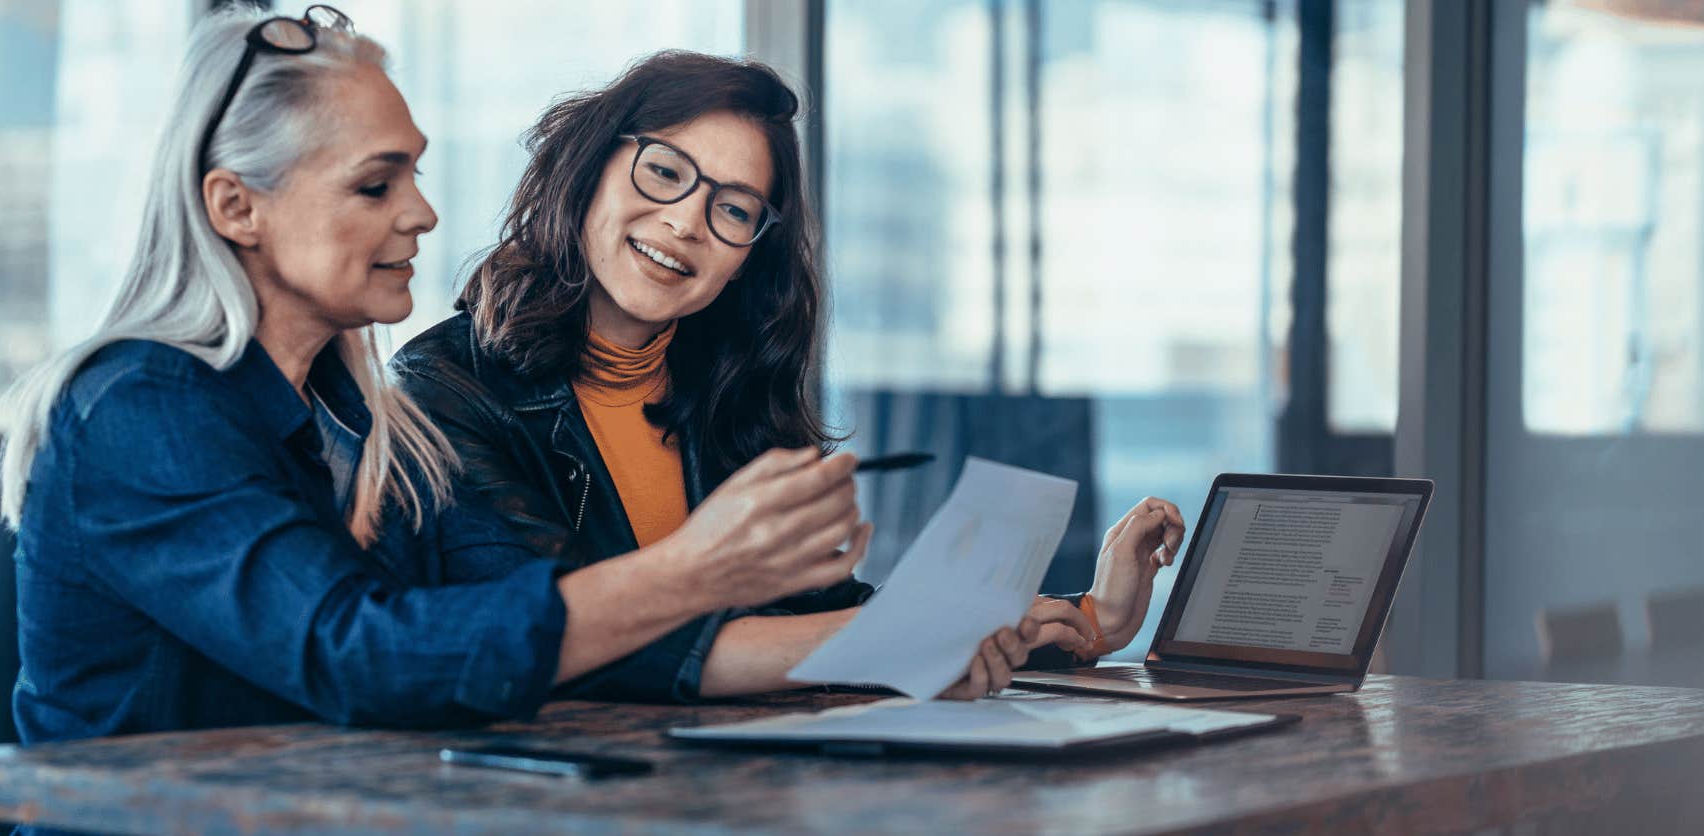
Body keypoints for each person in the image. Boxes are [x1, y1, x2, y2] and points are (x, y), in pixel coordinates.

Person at [0, 10, 1044, 836]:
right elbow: (362, 655)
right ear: (235, 205)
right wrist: (696, 571)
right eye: (376, 185)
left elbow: (532, 620)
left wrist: (930, 637)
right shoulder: (137, 409)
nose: (424, 215)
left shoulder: (360, 425)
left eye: (416, 178)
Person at [396, 50, 1186, 698]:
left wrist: (1087, 618)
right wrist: (904, 642)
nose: (685, 222)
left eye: (734, 209)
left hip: (738, 796)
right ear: (589, 168)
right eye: (664, 171)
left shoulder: (727, 396)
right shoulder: (441, 390)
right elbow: (568, 638)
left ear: (748, 259)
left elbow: (822, 618)